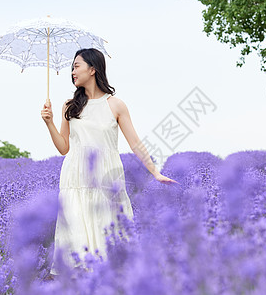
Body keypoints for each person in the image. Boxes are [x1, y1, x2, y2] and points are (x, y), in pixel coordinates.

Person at [41, 48, 177, 276]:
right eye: (72, 67)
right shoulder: (69, 106)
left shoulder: (115, 105)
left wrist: (155, 172)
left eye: (77, 66)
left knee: (109, 242)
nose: (72, 72)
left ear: (92, 69)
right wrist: (49, 123)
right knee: (76, 244)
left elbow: (134, 143)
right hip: (75, 181)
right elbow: (64, 147)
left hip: (106, 179)